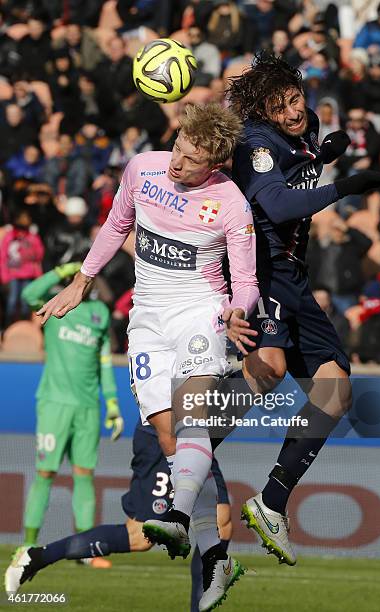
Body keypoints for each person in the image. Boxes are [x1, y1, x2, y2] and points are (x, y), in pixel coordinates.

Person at [21, 103, 259, 610]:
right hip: (147, 316)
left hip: (201, 310)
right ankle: (209, 550)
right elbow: (114, 226)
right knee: (166, 428)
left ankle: (177, 520)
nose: (177, 162)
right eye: (178, 147)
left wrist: (238, 312)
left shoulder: (232, 204)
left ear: (214, 162)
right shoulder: (143, 168)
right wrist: (81, 282)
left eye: (192, 159)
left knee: (192, 414)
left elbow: (245, 280)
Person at [227, 52, 380, 566]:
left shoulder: (304, 127)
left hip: (293, 273)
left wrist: (323, 154)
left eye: (296, 98)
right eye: (281, 106)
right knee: (269, 368)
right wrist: (341, 184)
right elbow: (276, 205)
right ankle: (185, 449)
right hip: (265, 263)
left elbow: (300, 166)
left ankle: (271, 501)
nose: (294, 111)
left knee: (336, 387)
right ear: (262, 111)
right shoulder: (255, 144)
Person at [6, 418, 232, 612]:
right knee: (139, 536)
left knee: (220, 523)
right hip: (164, 434)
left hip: (195, 435)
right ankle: (36, 557)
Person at [8, 263, 123, 567]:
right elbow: (30, 293)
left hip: (87, 407)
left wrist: (112, 404)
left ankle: (83, 550)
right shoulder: (56, 304)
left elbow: (104, 362)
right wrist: (61, 272)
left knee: (85, 475)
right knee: (45, 473)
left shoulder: (99, 314)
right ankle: (28, 546)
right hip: (54, 403)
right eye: (79, 276)